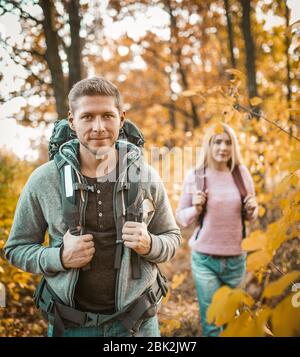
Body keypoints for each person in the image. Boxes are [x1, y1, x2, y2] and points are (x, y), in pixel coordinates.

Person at [4, 77, 181, 337]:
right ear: (72, 121)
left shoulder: (145, 175)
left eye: (107, 116)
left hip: (138, 323)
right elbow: (15, 249)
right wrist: (59, 257)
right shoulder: (43, 180)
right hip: (71, 325)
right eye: (87, 117)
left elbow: (173, 239)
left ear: (121, 119)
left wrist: (150, 244)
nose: (98, 127)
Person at [176, 123, 258, 337]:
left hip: (236, 260)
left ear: (234, 146)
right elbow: (181, 217)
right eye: (217, 142)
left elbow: (251, 214)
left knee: (234, 322)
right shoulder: (197, 176)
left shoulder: (241, 174)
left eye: (228, 142)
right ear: (209, 145)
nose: (223, 147)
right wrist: (195, 208)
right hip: (205, 260)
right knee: (212, 324)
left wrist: (252, 209)